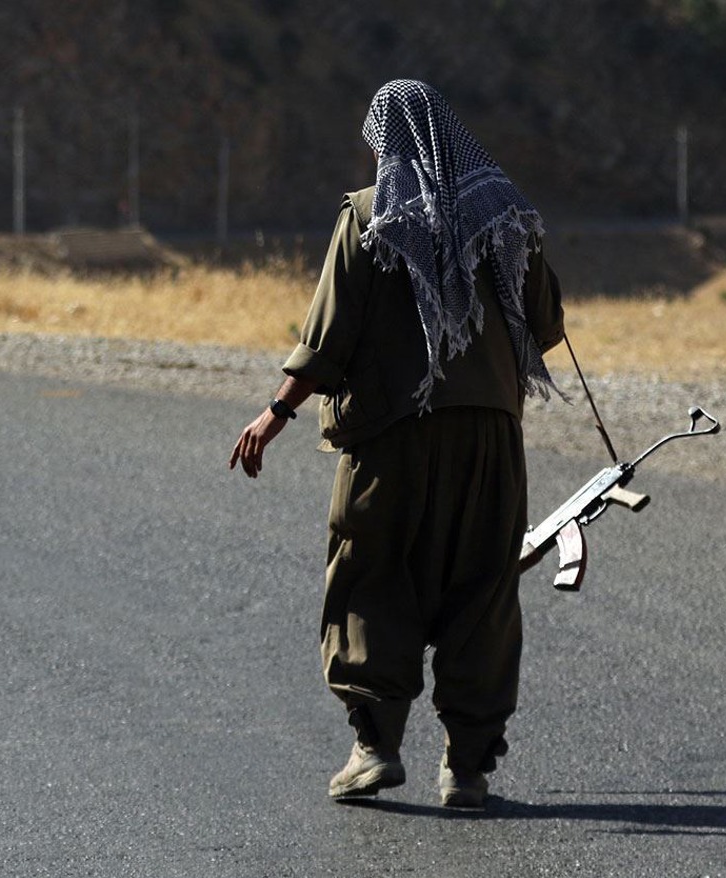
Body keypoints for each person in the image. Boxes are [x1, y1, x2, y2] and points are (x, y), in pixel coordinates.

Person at [228, 79, 564, 810]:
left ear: (388, 140)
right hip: (489, 441)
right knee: (483, 589)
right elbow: (546, 327)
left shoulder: (368, 216)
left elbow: (328, 339)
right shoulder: (508, 214)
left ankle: (374, 749)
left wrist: (274, 414)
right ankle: (467, 769)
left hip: (391, 437)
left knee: (371, 576)